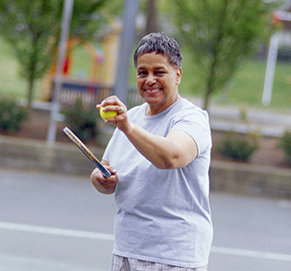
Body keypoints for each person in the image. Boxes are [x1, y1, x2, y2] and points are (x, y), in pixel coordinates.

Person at [90, 32, 213, 271]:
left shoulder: (191, 118)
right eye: (142, 73)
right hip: (127, 247)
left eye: (159, 72)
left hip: (173, 255)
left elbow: (171, 157)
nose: (149, 80)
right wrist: (101, 180)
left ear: (178, 74)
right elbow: (104, 169)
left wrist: (127, 126)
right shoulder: (133, 116)